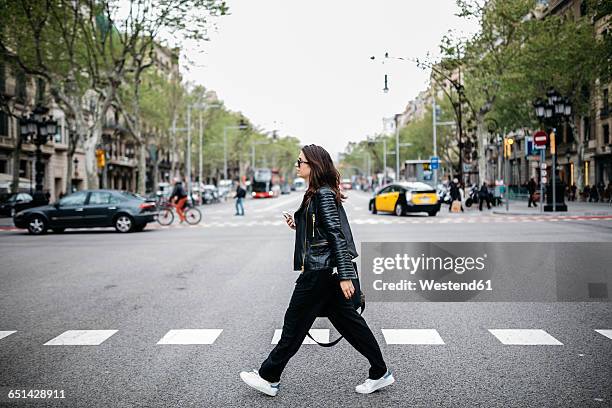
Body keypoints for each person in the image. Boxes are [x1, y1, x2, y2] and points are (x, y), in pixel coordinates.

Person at [240, 144, 394, 397]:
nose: (297, 166)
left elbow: (337, 235)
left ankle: (269, 377)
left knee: (294, 324)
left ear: (314, 165)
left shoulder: (322, 194)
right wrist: (298, 225)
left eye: (300, 162)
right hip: (324, 271)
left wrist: (345, 275)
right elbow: (321, 231)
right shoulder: (316, 193)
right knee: (351, 325)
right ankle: (380, 373)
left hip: (320, 272)